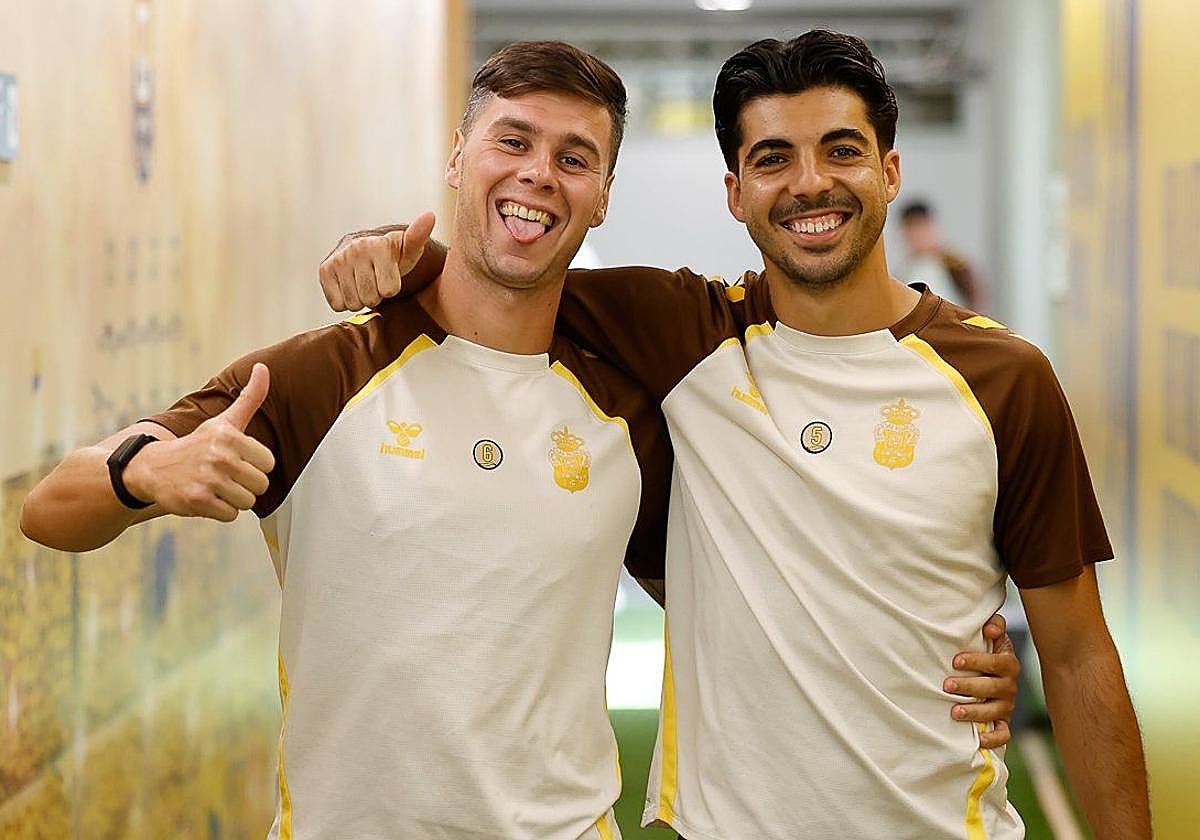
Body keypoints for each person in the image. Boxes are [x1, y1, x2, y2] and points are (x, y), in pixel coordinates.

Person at [17, 41, 1015, 840]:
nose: (539, 174)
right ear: (458, 159)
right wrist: (145, 470)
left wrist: (936, 657)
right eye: (512, 141)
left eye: (574, 157)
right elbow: (49, 509)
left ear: (604, 194)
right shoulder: (323, 375)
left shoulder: (628, 408)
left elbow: (750, 593)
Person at [321, 31, 1150, 840]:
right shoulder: (688, 335)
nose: (810, 183)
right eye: (773, 159)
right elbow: (504, 273)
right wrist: (391, 252)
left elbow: (1077, 655)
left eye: (842, 150)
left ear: (889, 172)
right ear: (735, 191)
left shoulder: (1005, 377)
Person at [900, 200, 984, 310]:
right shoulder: (905, 269)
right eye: (910, 228)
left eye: (920, 227)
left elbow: (974, 298)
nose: (916, 235)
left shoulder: (953, 263)